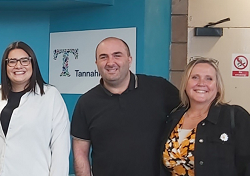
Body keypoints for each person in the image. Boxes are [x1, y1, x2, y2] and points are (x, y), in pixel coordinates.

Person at [71, 37, 180, 176]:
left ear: (129, 59)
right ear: (96, 63)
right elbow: (80, 153)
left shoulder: (159, 88)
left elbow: (191, 115)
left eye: (117, 55)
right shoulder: (86, 103)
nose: (110, 62)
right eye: (103, 57)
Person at [0, 41, 70, 176]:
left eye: (24, 61)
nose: (18, 66)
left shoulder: (50, 96)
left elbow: (60, 148)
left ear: (33, 63)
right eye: (12, 61)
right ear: (5, 66)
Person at [160, 57, 250, 176]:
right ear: (186, 83)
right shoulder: (173, 118)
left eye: (209, 78)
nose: (201, 83)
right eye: (195, 77)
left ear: (217, 86)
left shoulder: (236, 117)